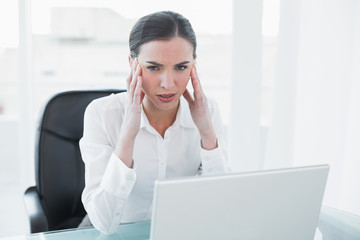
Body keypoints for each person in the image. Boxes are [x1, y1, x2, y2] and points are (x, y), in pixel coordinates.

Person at [79, 11, 230, 234]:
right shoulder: (102, 114)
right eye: (153, 67)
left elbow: (220, 207)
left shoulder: (208, 112)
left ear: (193, 67)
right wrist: (128, 135)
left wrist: (207, 134)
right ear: (133, 64)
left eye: (181, 67)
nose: (168, 84)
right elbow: (104, 223)